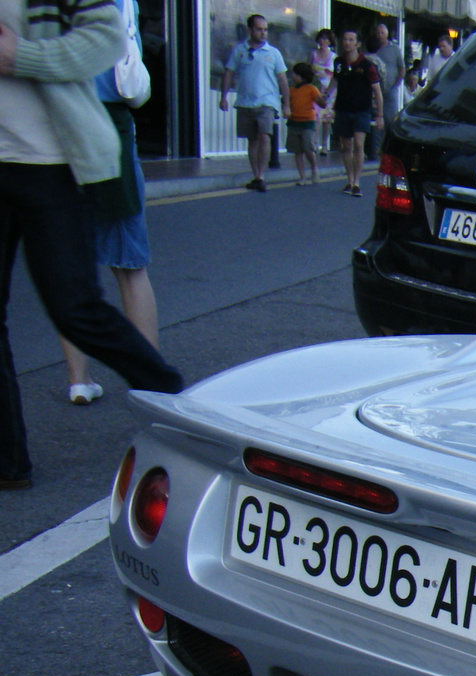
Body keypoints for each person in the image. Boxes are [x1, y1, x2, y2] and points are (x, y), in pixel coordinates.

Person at [0, 0, 184, 489]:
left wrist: (20, 56)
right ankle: (7, 462)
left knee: (75, 306)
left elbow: (105, 39)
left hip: (52, 161)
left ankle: (174, 401)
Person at [56, 0, 161, 405]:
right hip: (111, 130)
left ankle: (79, 380)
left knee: (69, 265)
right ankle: (147, 380)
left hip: (61, 125)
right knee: (130, 266)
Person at [218, 13, 288, 191]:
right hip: (245, 102)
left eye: (265, 29)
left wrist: (286, 104)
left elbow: (282, 80)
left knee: (264, 136)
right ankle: (256, 175)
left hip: (267, 102)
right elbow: (228, 73)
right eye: (259, 29)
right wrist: (223, 97)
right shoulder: (239, 51)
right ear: (250, 30)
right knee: (252, 140)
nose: (263, 33)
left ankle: (262, 176)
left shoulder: (273, 53)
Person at [327, 28, 382, 197]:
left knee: (358, 144)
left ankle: (357, 182)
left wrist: (379, 115)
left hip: (362, 111)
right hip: (343, 109)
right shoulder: (338, 62)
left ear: (357, 44)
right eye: (345, 39)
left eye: (351, 40)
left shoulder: (367, 66)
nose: (347, 43)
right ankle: (349, 180)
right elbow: (334, 82)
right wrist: (326, 97)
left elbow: (377, 91)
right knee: (346, 146)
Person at [366, 21, 402, 161]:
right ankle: (376, 149)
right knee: (375, 119)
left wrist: (396, 85)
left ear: (387, 34)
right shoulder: (373, 49)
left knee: (389, 119)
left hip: (390, 89)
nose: (380, 35)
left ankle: (390, 147)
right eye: (378, 33)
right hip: (374, 91)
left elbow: (401, 68)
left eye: (382, 32)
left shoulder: (395, 49)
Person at [285, 62, 321, 185]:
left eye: (296, 74)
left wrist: (324, 99)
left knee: (308, 148)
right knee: (297, 151)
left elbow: (320, 102)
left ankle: (314, 169)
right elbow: (286, 103)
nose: (293, 76)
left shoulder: (312, 89)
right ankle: (302, 176)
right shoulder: (291, 90)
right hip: (294, 121)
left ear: (302, 76)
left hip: (307, 122)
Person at [309, 28, 335, 154]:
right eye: (321, 38)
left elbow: (335, 75)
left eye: (326, 39)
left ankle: (324, 145)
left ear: (330, 41)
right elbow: (309, 70)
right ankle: (314, 144)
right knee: (316, 116)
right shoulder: (313, 54)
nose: (323, 41)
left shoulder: (333, 56)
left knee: (327, 119)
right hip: (316, 88)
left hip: (329, 90)